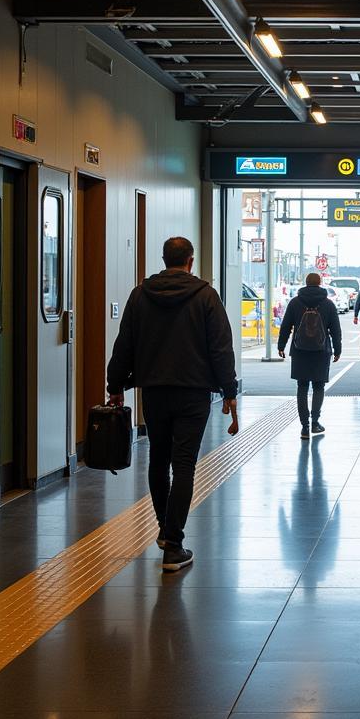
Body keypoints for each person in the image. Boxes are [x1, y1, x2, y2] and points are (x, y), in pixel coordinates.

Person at [106, 236, 239, 574]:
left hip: (153, 391)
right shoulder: (206, 296)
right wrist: (229, 390)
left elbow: (124, 344)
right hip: (193, 394)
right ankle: (174, 545)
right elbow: (221, 347)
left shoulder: (140, 295)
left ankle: (166, 531)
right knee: (183, 465)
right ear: (190, 261)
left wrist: (115, 385)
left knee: (158, 459)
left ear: (163, 259)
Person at [278, 272, 342, 440]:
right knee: (319, 387)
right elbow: (335, 329)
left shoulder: (295, 303)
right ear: (320, 283)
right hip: (321, 351)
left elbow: (285, 326)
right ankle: (315, 423)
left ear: (305, 283)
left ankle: (304, 427)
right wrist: (338, 349)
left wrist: (281, 346)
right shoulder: (328, 304)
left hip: (299, 351)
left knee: (302, 387)